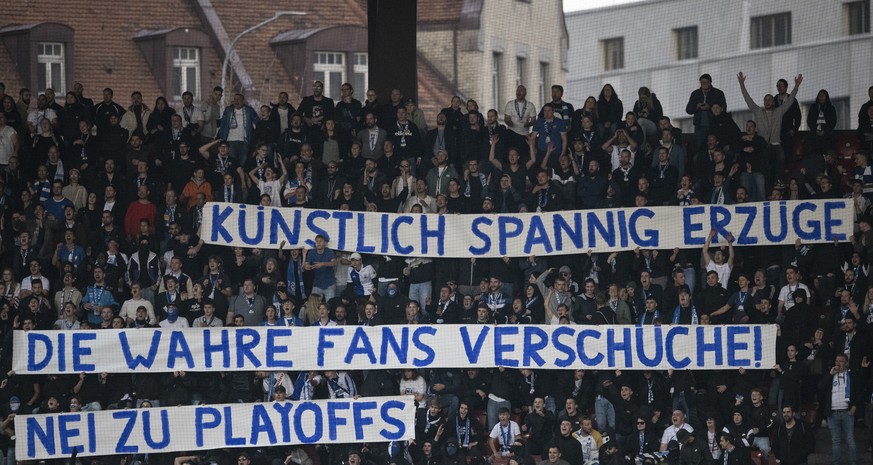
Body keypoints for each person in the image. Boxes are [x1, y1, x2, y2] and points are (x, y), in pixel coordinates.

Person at [737, 72, 802, 189]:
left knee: (781, 157)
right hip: (763, 145)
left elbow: (790, 100)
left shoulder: (779, 111)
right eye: (765, 100)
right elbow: (748, 100)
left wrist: (796, 86)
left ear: (774, 102)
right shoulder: (758, 112)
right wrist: (742, 85)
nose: (767, 102)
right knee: (765, 162)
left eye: (769, 100)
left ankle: (777, 181)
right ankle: (767, 184)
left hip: (776, 144)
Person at [819, 353, 859, 465]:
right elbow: (820, 387)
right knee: (835, 441)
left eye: (841, 361)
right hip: (833, 413)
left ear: (846, 363)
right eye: (837, 361)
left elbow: (859, 392)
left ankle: (853, 462)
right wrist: (830, 375)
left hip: (847, 412)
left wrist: (854, 406)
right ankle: (836, 463)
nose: (838, 363)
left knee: (850, 439)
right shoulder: (831, 374)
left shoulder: (851, 375)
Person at [685, 74, 726, 153]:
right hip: (700, 127)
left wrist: (710, 108)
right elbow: (688, 110)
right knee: (700, 149)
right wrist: (696, 107)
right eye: (702, 82)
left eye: (706, 82)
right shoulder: (695, 94)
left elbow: (723, 109)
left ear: (710, 82)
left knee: (717, 148)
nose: (704, 84)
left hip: (715, 125)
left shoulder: (718, 93)